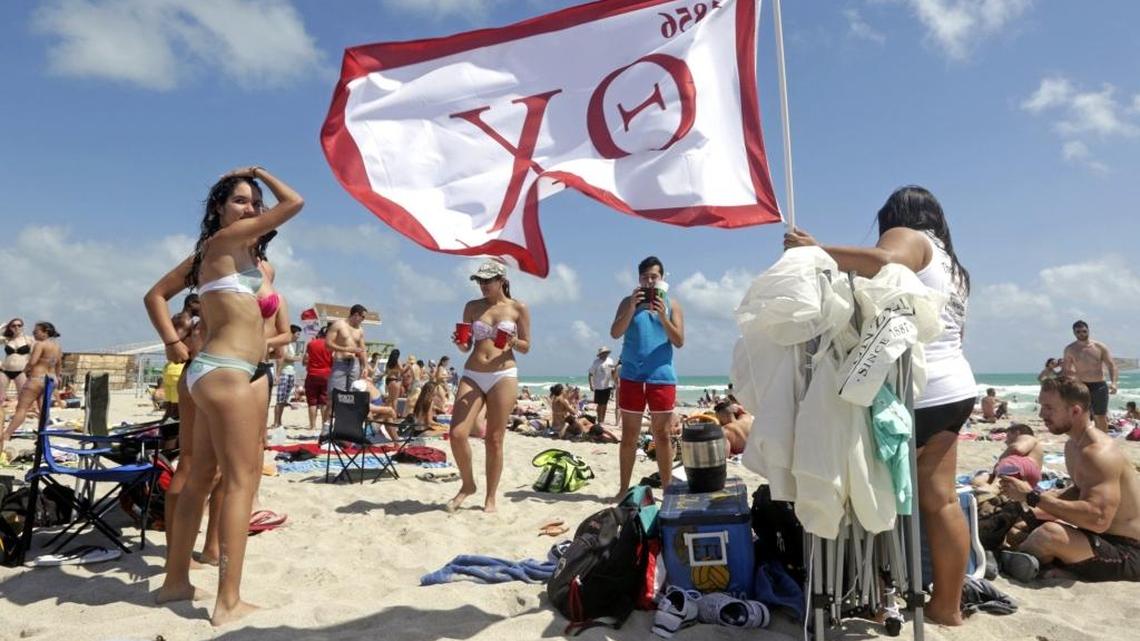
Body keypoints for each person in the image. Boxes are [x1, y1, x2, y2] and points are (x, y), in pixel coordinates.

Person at [784, 185, 975, 626]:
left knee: (869, 490)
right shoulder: (954, 265)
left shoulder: (912, 237)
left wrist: (816, 251)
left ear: (897, 216)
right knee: (940, 499)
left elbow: (885, 263)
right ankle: (948, 606)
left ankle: (875, 591)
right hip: (956, 388)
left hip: (916, 393)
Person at [151, 166, 303, 626]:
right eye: (241, 200)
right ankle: (228, 602)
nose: (252, 208)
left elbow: (262, 323)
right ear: (218, 208)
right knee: (242, 482)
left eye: (255, 202)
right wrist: (258, 172)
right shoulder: (219, 244)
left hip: (234, 371)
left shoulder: (252, 262)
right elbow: (294, 203)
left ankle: (175, 581)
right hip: (228, 371)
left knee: (200, 474)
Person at [998, 376, 1140, 583]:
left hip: (1128, 551)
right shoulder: (1073, 446)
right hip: (1097, 537)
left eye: (1049, 408)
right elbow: (1079, 491)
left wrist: (1032, 497)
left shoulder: (1098, 453)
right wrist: (1029, 506)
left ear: (1075, 411)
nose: (1041, 414)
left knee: (1048, 534)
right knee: (1019, 523)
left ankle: (1005, 561)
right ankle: (1043, 562)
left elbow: (1098, 519)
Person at [447, 260, 530, 513]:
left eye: (487, 281)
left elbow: (527, 346)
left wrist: (514, 340)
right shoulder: (472, 307)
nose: (483, 285)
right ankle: (468, 484)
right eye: (480, 281)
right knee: (457, 433)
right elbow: (466, 346)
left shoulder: (518, 308)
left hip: (503, 374)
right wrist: (459, 343)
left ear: (501, 281)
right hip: (473, 371)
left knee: (494, 439)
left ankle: (490, 497)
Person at [611, 256, 685, 499]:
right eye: (645, 277)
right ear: (639, 279)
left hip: (661, 375)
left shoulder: (673, 304)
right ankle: (623, 488)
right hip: (632, 374)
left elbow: (679, 341)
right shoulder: (627, 302)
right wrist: (632, 307)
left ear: (662, 278)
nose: (650, 281)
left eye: (654, 276)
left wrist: (663, 316)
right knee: (629, 436)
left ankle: (667, 489)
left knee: (662, 435)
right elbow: (615, 333)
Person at [0, 322, 62, 460]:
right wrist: (57, 377)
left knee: (22, 408)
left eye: (36, 331)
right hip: (50, 380)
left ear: (45, 332)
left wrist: (25, 370)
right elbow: (58, 365)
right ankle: (42, 436)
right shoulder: (57, 346)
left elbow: (33, 361)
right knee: (43, 410)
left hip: (36, 379)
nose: (34, 333)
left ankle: (7, 434)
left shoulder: (40, 344)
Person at [1062, 320, 1118, 432]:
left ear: (1088, 330)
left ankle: (1103, 441)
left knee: (1100, 416)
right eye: (1078, 332)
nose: (1081, 334)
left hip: (1099, 386)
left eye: (1084, 331)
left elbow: (1111, 365)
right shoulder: (1070, 349)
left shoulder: (1099, 347)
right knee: (1081, 415)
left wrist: (1114, 383)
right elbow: (1067, 369)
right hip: (1081, 386)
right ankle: (1084, 439)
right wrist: (1070, 383)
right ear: (1074, 333)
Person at [972, 423, 1044, 495]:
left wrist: (1001, 459)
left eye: (1008, 436)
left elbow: (1018, 449)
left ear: (1017, 433)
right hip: (1023, 479)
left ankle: (995, 488)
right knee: (978, 481)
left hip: (1026, 470)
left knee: (1009, 461)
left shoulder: (1028, 437)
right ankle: (997, 493)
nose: (1006, 441)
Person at [326, 305, 369, 395]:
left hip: (354, 363)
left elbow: (363, 349)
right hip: (340, 362)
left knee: (353, 394)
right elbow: (328, 344)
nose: (364, 319)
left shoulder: (360, 329)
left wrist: (365, 366)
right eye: (363, 317)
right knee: (335, 396)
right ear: (356, 315)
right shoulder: (339, 325)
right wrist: (345, 349)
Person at [272, 325, 302, 429]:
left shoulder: (291, 345)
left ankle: (279, 421)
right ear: (292, 333)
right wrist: (296, 358)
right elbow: (283, 357)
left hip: (290, 372)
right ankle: (276, 422)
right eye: (297, 334)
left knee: (284, 400)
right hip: (284, 373)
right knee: (280, 400)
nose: (298, 337)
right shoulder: (285, 343)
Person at [303, 325, 331, 431]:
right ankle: (324, 425)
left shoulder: (311, 344)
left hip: (312, 374)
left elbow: (305, 360)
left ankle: (312, 426)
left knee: (312, 401)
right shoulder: (330, 345)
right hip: (326, 375)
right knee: (324, 401)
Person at [1, 318, 32, 408]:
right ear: (10, 327)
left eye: (19, 325)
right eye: (13, 325)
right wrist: (2, 327)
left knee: (22, 397)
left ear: (22, 327)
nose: (16, 327)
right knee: (0, 396)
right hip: (5, 370)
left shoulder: (28, 340)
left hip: (20, 371)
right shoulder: (7, 340)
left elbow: (35, 355)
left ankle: (20, 416)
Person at [588, 346, 616, 426]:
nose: (604, 355)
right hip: (599, 386)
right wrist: (591, 385)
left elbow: (613, 372)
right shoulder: (596, 362)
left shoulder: (610, 361)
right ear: (600, 354)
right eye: (603, 353)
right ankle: (599, 419)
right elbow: (590, 374)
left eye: (605, 353)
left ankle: (602, 420)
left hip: (608, 385)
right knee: (600, 404)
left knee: (605, 404)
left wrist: (614, 382)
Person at [383, 349, 403, 416]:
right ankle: (394, 414)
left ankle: (382, 411)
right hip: (394, 380)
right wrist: (408, 366)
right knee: (394, 399)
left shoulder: (389, 362)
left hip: (388, 380)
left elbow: (386, 372)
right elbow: (402, 370)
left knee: (390, 398)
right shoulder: (397, 361)